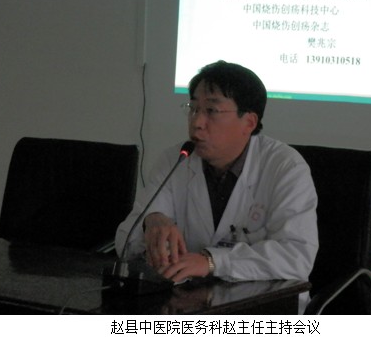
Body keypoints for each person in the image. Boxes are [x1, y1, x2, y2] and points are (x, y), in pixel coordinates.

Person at [115, 60, 318, 313]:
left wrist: (212, 262)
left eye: (211, 110)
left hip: (264, 308)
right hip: (188, 303)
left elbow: (296, 257)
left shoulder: (285, 167)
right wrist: (150, 222)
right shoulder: (176, 160)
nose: (197, 122)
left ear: (249, 122)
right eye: (193, 108)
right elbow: (124, 242)